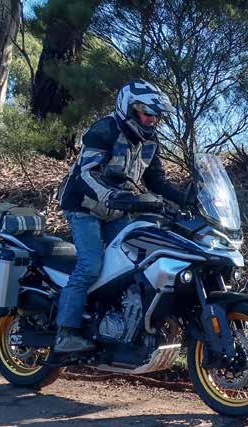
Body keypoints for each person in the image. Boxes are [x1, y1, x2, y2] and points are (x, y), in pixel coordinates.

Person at [54, 79, 189, 353]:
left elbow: (156, 181)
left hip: (118, 210)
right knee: (90, 265)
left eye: (156, 115)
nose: (152, 120)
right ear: (129, 108)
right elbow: (86, 175)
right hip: (84, 207)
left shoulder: (150, 140)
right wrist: (114, 197)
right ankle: (65, 332)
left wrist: (187, 199)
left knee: (132, 264)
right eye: (147, 113)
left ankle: (115, 323)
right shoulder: (104, 130)